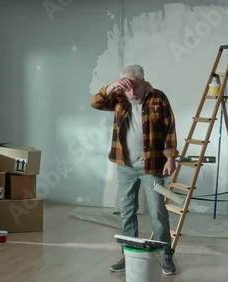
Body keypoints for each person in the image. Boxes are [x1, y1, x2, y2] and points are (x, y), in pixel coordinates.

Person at [90, 64, 178, 275]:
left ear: (143, 82)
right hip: (125, 166)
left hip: (152, 166)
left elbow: (169, 127)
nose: (131, 93)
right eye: (127, 87)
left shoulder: (158, 98)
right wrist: (113, 86)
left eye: (135, 87)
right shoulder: (120, 97)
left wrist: (171, 158)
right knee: (127, 212)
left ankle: (166, 256)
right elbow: (96, 102)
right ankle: (129, 254)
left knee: (157, 212)